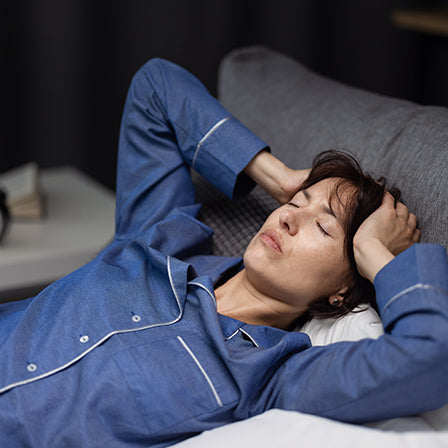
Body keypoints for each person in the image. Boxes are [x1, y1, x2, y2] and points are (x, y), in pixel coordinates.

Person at [0, 58, 447, 448]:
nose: (287, 218)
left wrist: (377, 252)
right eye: (295, 203)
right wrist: (277, 176)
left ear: (342, 290)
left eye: (323, 226)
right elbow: (156, 87)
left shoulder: (275, 376)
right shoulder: (162, 242)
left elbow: (431, 358)